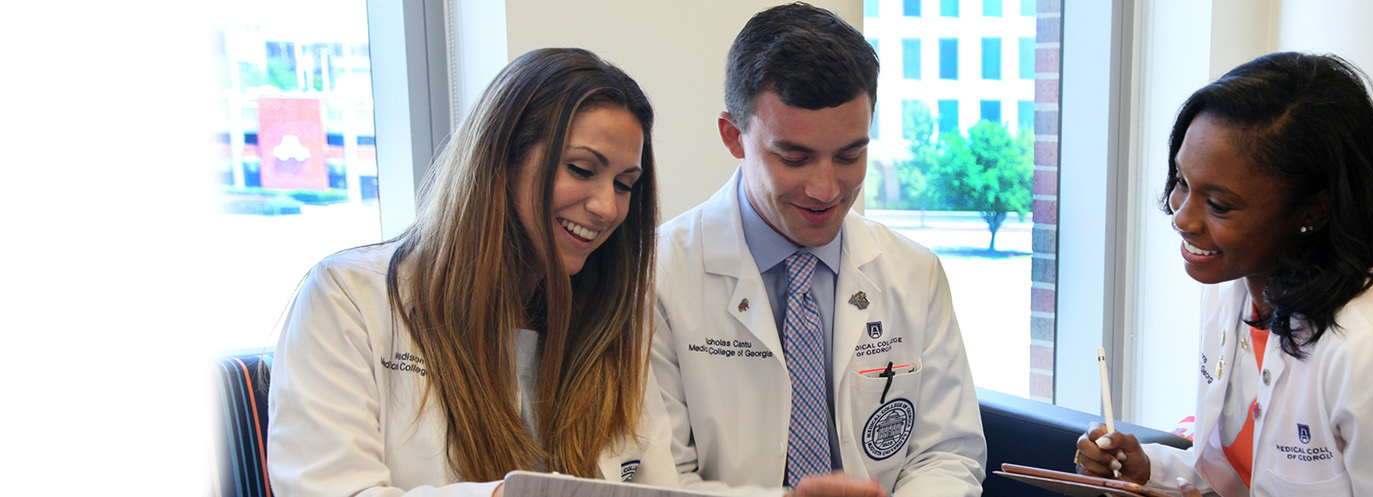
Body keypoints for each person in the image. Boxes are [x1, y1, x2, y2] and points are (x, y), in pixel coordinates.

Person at [1074, 52, 1373, 497]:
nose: (1182, 218)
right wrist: (1148, 471)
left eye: (1219, 205)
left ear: (1313, 209)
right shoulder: (1233, 297)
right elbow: (1241, 476)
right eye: (1182, 182)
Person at [266, 48, 674, 496]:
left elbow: (655, 482)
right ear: (501, 158)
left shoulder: (612, 319)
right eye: (581, 169)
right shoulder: (349, 297)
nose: (607, 207)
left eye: (624, 185)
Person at [649, 3, 987, 497]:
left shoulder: (914, 271)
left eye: (850, 155)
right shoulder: (657, 275)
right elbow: (661, 478)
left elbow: (948, 453)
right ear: (733, 137)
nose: (825, 189)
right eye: (794, 157)